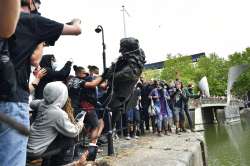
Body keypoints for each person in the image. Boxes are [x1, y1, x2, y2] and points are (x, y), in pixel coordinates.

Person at [0, 1, 82, 165]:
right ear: (31, 2)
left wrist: (36, 81)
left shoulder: (41, 104)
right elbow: (76, 30)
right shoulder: (33, 22)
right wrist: (76, 20)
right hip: (12, 101)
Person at [27, 82, 83, 166]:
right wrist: (80, 124)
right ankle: (62, 163)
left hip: (29, 147)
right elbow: (73, 132)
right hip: (37, 151)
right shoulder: (58, 113)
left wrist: (48, 98)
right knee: (70, 140)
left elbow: (32, 103)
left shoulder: (42, 104)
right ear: (62, 96)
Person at [68, 65, 107, 161]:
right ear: (80, 73)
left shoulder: (71, 80)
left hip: (71, 107)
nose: (87, 75)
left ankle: (77, 152)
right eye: (85, 73)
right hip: (81, 106)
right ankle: (91, 150)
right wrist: (105, 75)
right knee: (96, 125)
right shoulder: (80, 80)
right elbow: (95, 84)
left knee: (79, 129)